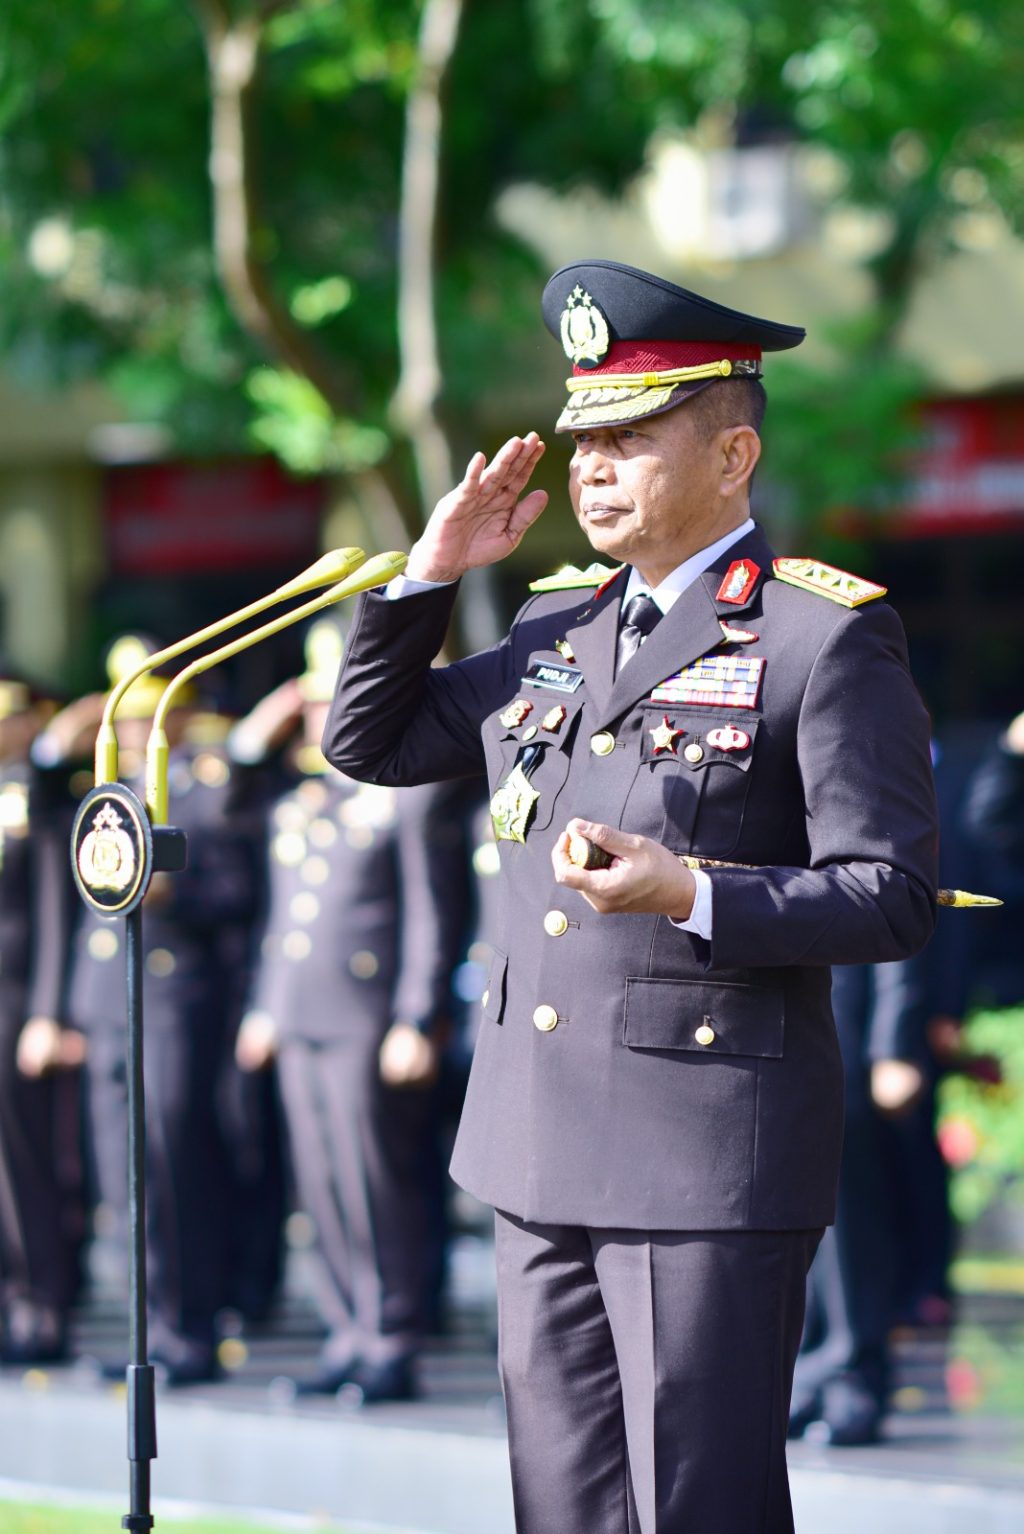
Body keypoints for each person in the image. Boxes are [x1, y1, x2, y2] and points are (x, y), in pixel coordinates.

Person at [323, 259, 938, 1531]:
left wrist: (691, 892)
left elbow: (888, 895)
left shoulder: (816, 639)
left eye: (630, 439)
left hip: (702, 1156)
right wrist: (427, 575)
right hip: (534, 1146)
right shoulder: (555, 628)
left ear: (731, 456)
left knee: (696, 1506)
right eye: (583, 441)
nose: (590, 467)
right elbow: (370, 745)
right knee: (561, 1509)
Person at [232, 620, 474, 1403]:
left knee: (377, 1184)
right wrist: (266, 1007)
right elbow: (282, 915)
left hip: (368, 1020)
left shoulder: (406, 792)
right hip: (302, 1013)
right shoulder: (304, 797)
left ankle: (390, 1337)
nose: (315, 716)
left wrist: (415, 1015)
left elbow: (431, 913)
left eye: (328, 698)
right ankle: (345, 1331)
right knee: (322, 1184)